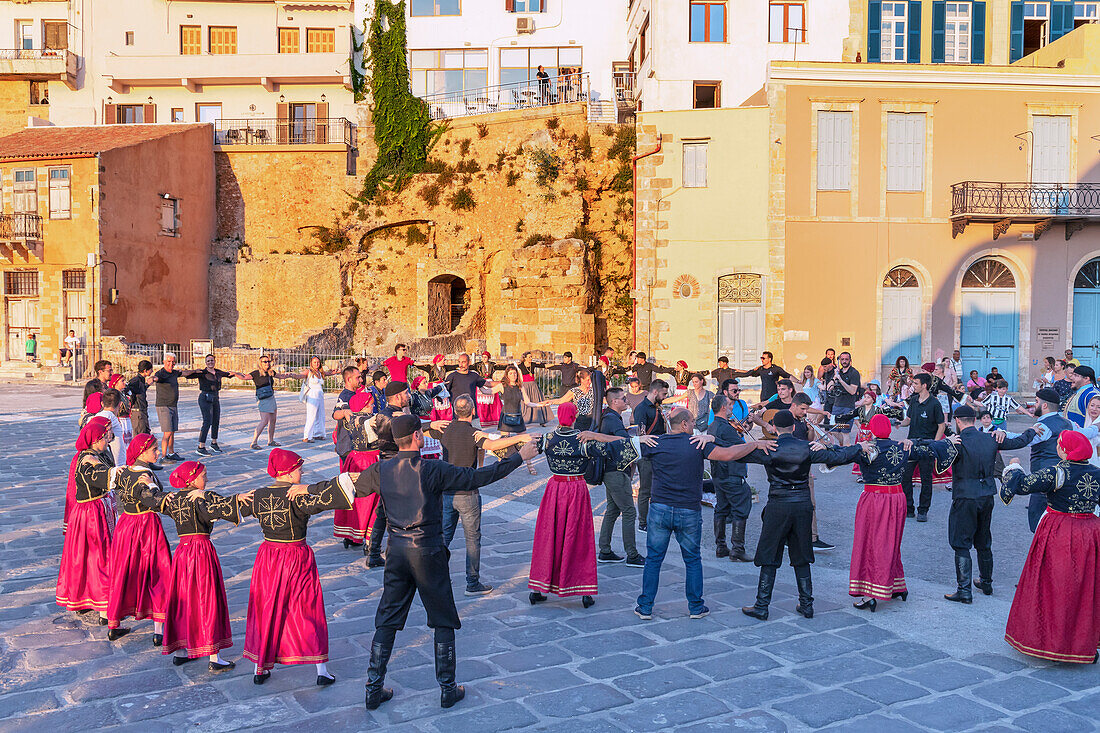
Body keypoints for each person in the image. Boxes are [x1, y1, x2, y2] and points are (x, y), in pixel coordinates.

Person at [357, 415, 538, 711]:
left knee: (387, 619)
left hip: (397, 551)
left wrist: (308, 491)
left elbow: (354, 487)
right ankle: (447, 689)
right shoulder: (432, 469)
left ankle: (372, 689)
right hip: (427, 551)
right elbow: (479, 477)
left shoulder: (381, 469)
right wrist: (519, 456)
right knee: (442, 619)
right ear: (417, 436)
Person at [635, 409, 774, 620]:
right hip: (688, 510)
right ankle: (695, 607)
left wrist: (636, 438)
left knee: (654, 559)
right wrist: (754, 444)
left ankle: (645, 607)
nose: (694, 425)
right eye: (691, 421)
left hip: (660, 508)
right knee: (692, 559)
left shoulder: (657, 442)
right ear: (683, 424)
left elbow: (618, 444)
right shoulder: (697, 444)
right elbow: (728, 454)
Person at [241, 448, 357, 686]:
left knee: (267, 608)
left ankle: (259, 667)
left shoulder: (259, 494)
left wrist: (193, 495)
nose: (302, 472)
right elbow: (328, 498)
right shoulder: (297, 494)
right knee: (307, 608)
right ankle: (321, 671)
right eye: (299, 469)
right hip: (296, 556)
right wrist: (346, 479)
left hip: (268, 558)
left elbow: (231, 506)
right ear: (289, 472)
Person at [739, 410, 865, 621]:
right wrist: (858, 447)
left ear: (775, 428)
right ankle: (807, 604)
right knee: (801, 554)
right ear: (793, 427)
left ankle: (762, 605)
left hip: (778, 504)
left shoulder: (769, 447)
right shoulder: (807, 447)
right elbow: (840, 456)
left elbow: (736, 453)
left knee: (769, 554)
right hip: (801, 504)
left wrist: (750, 443)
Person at [910, 405, 1037, 604]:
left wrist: (914, 442)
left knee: (961, 543)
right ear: (975, 420)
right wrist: (1032, 430)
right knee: (984, 540)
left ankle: (964, 590)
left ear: (958, 422)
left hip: (965, 496)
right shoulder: (991, 438)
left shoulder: (957, 441)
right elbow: (1019, 441)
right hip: (986, 494)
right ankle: (986, 583)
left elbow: (927, 448)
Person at [138, 461, 251, 672]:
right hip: (201, 552)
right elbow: (226, 507)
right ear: (191, 479)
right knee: (208, 600)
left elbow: (155, 499)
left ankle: (181, 652)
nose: (206, 479)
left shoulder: (175, 499)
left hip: (182, 553)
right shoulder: (202, 499)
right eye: (203, 476)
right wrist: (235, 499)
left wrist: (148, 485)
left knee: (183, 601)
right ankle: (215, 657)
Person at [1001, 431, 1100, 664]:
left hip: (1060, 531)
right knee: (1085, 586)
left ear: (1065, 450)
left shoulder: (1057, 472)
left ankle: (1052, 642)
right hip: (1090, 531)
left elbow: (1023, 486)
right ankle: (1082, 643)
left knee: (1053, 585)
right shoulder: (1097, 473)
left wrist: (1014, 467)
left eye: (1059, 444)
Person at [527, 402, 629, 608]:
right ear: (574, 417)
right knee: (578, 538)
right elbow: (619, 445)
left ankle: (539, 587)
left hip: (554, 489)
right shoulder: (583, 440)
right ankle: (583, 590)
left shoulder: (546, 439)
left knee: (549, 537)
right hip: (576, 490)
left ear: (558, 417)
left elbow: (518, 452)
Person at [428, 395, 530, 595]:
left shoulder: (445, 430)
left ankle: (430, 575)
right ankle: (472, 583)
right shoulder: (474, 433)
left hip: (447, 492)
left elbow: (423, 430)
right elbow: (492, 446)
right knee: (472, 539)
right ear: (473, 411)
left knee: (444, 536)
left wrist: (430, 423)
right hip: (468, 492)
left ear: (455, 411)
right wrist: (521, 438)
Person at [847, 414, 936, 611]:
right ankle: (897, 587)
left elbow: (840, 456)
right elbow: (930, 448)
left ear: (872, 429)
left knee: (871, 544)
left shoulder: (868, 447)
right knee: (891, 543)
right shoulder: (901, 446)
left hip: (874, 499)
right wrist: (914, 441)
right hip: (897, 498)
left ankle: (870, 593)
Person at [104, 434, 171, 643]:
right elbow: (156, 501)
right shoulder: (146, 474)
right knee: (157, 573)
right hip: (145, 527)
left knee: (122, 573)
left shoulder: (124, 471)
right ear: (142, 452)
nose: (158, 453)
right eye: (154, 450)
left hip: (125, 525)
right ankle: (159, 630)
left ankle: (113, 623)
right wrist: (152, 486)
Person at [56, 417, 115, 624]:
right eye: (104, 436)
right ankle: (104, 608)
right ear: (95, 439)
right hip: (91, 514)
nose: (107, 439)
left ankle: (84, 600)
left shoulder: (93, 455)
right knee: (99, 557)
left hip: (86, 513)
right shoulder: (90, 459)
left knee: (85, 558)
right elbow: (104, 478)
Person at [596, 387, 645, 567]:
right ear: (614, 401)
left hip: (611, 470)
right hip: (616, 471)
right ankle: (632, 555)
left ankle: (605, 550)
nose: (626, 400)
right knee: (629, 511)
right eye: (623, 399)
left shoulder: (610, 417)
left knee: (613, 510)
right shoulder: (612, 419)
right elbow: (626, 442)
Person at [1013, 388, 1073, 532]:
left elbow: (1020, 441)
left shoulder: (1042, 426)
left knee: (1040, 527)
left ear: (1044, 405)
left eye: (1036, 401)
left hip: (1042, 483)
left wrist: (999, 434)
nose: (1035, 405)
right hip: (1063, 480)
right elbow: (1085, 434)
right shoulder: (1068, 423)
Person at [332, 391, 383, 549]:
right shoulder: (369, 419)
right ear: (364, 405)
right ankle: (370, 541)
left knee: (354, 498)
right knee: (372, 500)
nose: (372, 405)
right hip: (369, 461)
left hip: (354, 460)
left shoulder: (351, 417)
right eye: (370, 403)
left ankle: (352, 536)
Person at [709, 394, 753, 562]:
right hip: (731, 473)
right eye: (729, 405)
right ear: (723, 408)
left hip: (719, 474)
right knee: (740, 508)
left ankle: (721, 546)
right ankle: (737, 549)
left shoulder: (713, 426)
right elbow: (741, 447)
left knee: (721, 507)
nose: (732, 408)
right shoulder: (725, 427)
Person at [899, 373, 946, 522]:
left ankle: (923, 510)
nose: (913, 386)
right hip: (911, 444)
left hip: (927, 446)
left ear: (924, 386)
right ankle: (909, 508)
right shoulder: (913, 401)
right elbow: (908, 420)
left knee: (926, 480)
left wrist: (935, 444)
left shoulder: (934, 403)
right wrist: (898, 423)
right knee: (905, 477)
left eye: (916, 383)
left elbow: (941, 425)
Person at [185, 354, 243, 456]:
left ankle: (214, 443)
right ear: (205, 363)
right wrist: (194, 371)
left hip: (215, 397)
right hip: (205, 398)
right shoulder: (202, 372)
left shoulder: (218, 372)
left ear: (214, 361)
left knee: (216, 420)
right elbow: (187, 376)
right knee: (207, 421)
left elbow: (229, 374)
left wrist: (237, 373)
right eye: (208, 361)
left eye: (212, 360)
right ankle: (201, 447)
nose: (210, 362)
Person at [632, 379, 670, 532]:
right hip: (647, 455)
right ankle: (643, 522)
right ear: (655, 392)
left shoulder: (657, 406)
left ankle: (656, 519)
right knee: (646, 490)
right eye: (664, 393)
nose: (665, 396)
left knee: (658, 488)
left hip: (659, 454)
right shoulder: (642, 408)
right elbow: (641, 433)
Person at [489, 364, 540, 475]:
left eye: (515, 373)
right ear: (507, 375)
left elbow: (527, 402)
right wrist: (477, 383)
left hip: (518, 417)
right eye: (511, 373)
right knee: (503, 443)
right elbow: (488, 392)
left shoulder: (520, 387)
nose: (513, 375)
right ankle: (501, 468)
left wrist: (540, 405)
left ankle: (530, 465)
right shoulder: (502, 386)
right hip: (506, 417)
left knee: (525, 441)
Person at [153, 353, 196, 462]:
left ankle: (171, 453)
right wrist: (152, 379)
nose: (171, 364)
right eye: (168, 361)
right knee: (167, 432)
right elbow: (156, 378)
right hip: (164, 406)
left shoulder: (174, 373)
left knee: (172, 431)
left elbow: (184, 373)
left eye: (173, 362)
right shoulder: (161, 373)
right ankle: (163, 456)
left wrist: (196, 371)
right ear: (164, 362)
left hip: (173, 405)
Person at [247, 355, 295, 450]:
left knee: (273, 420)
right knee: (264, 421)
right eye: (265, 362)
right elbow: (244, 377)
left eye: (268, 361)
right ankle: (254, 442)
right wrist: (234, 374)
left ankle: (270, 441)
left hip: (270, 397)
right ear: (260, 363)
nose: (267, 363)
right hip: (262, 398)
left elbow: (280, 376)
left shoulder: (270, 372)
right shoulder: (256, 373)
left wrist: (288, 375)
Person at [825, 352, 861, 446]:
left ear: (850, 360)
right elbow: (828, 388)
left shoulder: (854, 373)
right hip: (837, 405)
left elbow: (852, 391)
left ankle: (846, 452)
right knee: (834, 429)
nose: (844, 361)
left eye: (846, 359)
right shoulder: (838, 372)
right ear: (839, 360)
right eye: (842, 359)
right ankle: (843, 446)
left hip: (848, 407)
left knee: (845, 432)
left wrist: (841, 380)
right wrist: (834, 377)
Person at [302, 356, 336, 443]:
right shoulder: (309, 372)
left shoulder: (320, 373)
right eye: (314, 362)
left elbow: (327, 373)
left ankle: (319, 434)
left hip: (320, 395)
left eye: (318, 362)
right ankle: (307, 436)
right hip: (312, 396)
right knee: (311, 415)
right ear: (311, 363)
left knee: (320, 415)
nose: (316, 364)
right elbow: (300, 375)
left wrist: (334, 372)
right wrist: (291, 375)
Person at [95, 389, 129, 467]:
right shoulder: (108, 415)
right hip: (115, 464)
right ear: (120, 404)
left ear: (102, 403)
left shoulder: (102, 415)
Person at [517, 352, 551, 426]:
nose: (530, 358)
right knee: (525, 402)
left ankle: (541, 420)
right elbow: (510, 366)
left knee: (537, 400)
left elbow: (544, 365)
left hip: (533, 385)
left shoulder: (533, 364)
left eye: (531, 357)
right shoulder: (521, 365)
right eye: (529, 357)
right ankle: (523, 419)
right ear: (525, 358)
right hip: (525, 385)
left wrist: (557, 365)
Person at [125, 361, 154, 439]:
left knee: (146, 434)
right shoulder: (135, 380)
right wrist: (131, 401)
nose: (152, 371)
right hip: (138, 412)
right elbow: (126, 390)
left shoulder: (140, 380)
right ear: (145, 370)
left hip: (142, 411)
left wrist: (147, 385)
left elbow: (140, 391)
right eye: (151, 369)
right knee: (140, 437)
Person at [473, 352, 501, 426]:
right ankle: (482, 419)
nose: (484, 358)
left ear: (488, 358)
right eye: (483, 357)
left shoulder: (492, 365)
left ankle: (492, 419)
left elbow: (501, 367)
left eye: (485, 357)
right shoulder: (477, 365)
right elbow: (470, 368)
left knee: (491, 402)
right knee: (481, 403)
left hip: (490, 383)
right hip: (481, 382)